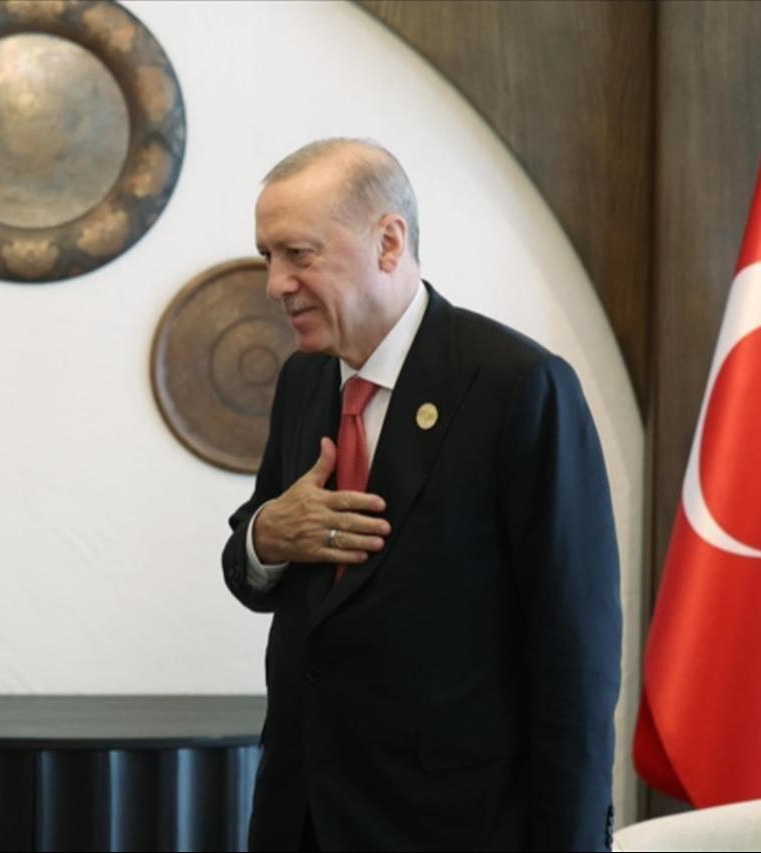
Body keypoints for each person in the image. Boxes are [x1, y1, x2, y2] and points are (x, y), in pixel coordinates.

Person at [222, 139, 621, 851]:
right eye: (267, 257)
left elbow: (574, 658)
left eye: (298, 254)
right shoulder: (304, 382)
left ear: (388, 241)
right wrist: (263, 539)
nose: (275, 283)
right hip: (302, 815)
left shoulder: (517, 386)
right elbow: (256, 570)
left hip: (452, 823)